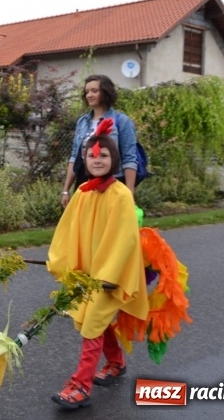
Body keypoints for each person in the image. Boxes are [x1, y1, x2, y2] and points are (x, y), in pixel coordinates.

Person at [47, 122, 149, 410]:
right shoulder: (83, 191)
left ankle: (80, 386)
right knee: (94, 321)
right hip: (89, 274)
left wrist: (107, 274)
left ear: (113, 159)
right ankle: (116, 362)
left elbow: (124, 239)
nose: (98, 160)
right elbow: (68, 230)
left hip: (110, 275)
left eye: (104, 155)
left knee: (91, 324)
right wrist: (62, 262)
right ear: (85, 160)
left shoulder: (121, 195)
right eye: (92, 156)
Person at [61, 74, 139, 208]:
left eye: (94, 91)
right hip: (84, 181)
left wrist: (129, 192)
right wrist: (66, 190)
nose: (89, 95)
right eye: (87, 92)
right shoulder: (82, 122)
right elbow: (74, 156)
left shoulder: (121, 121)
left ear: (106, 92)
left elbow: (129, 158)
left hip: (111, 182)